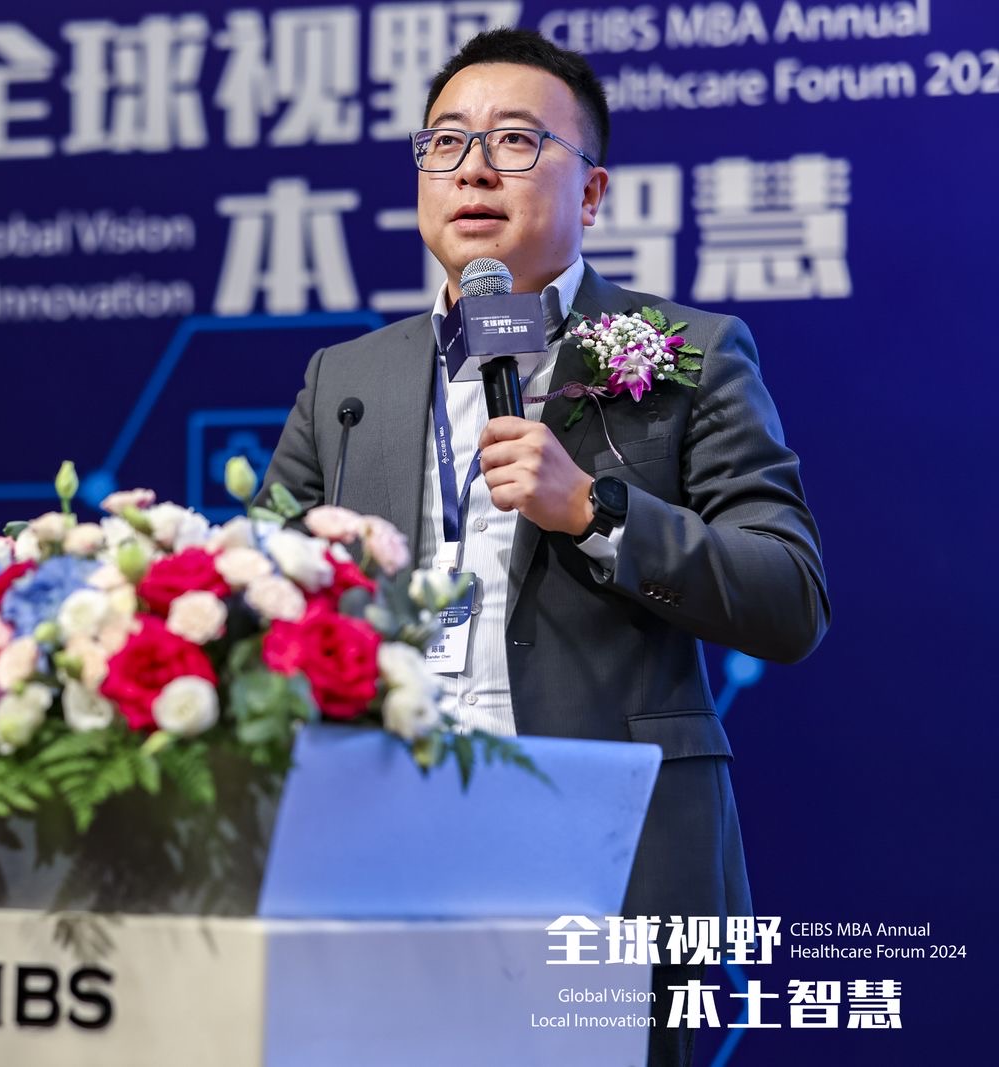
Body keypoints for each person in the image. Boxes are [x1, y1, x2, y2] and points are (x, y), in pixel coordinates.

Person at [257, 27, 828, 1067]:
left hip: (601, 853)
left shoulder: (688, 354)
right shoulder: (347, 377)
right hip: (378, 842)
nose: (473, 168)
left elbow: (788, 596)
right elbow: (259, 587)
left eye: (516, 141)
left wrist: (597, 511)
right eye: (446, 142)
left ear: (592, 191)